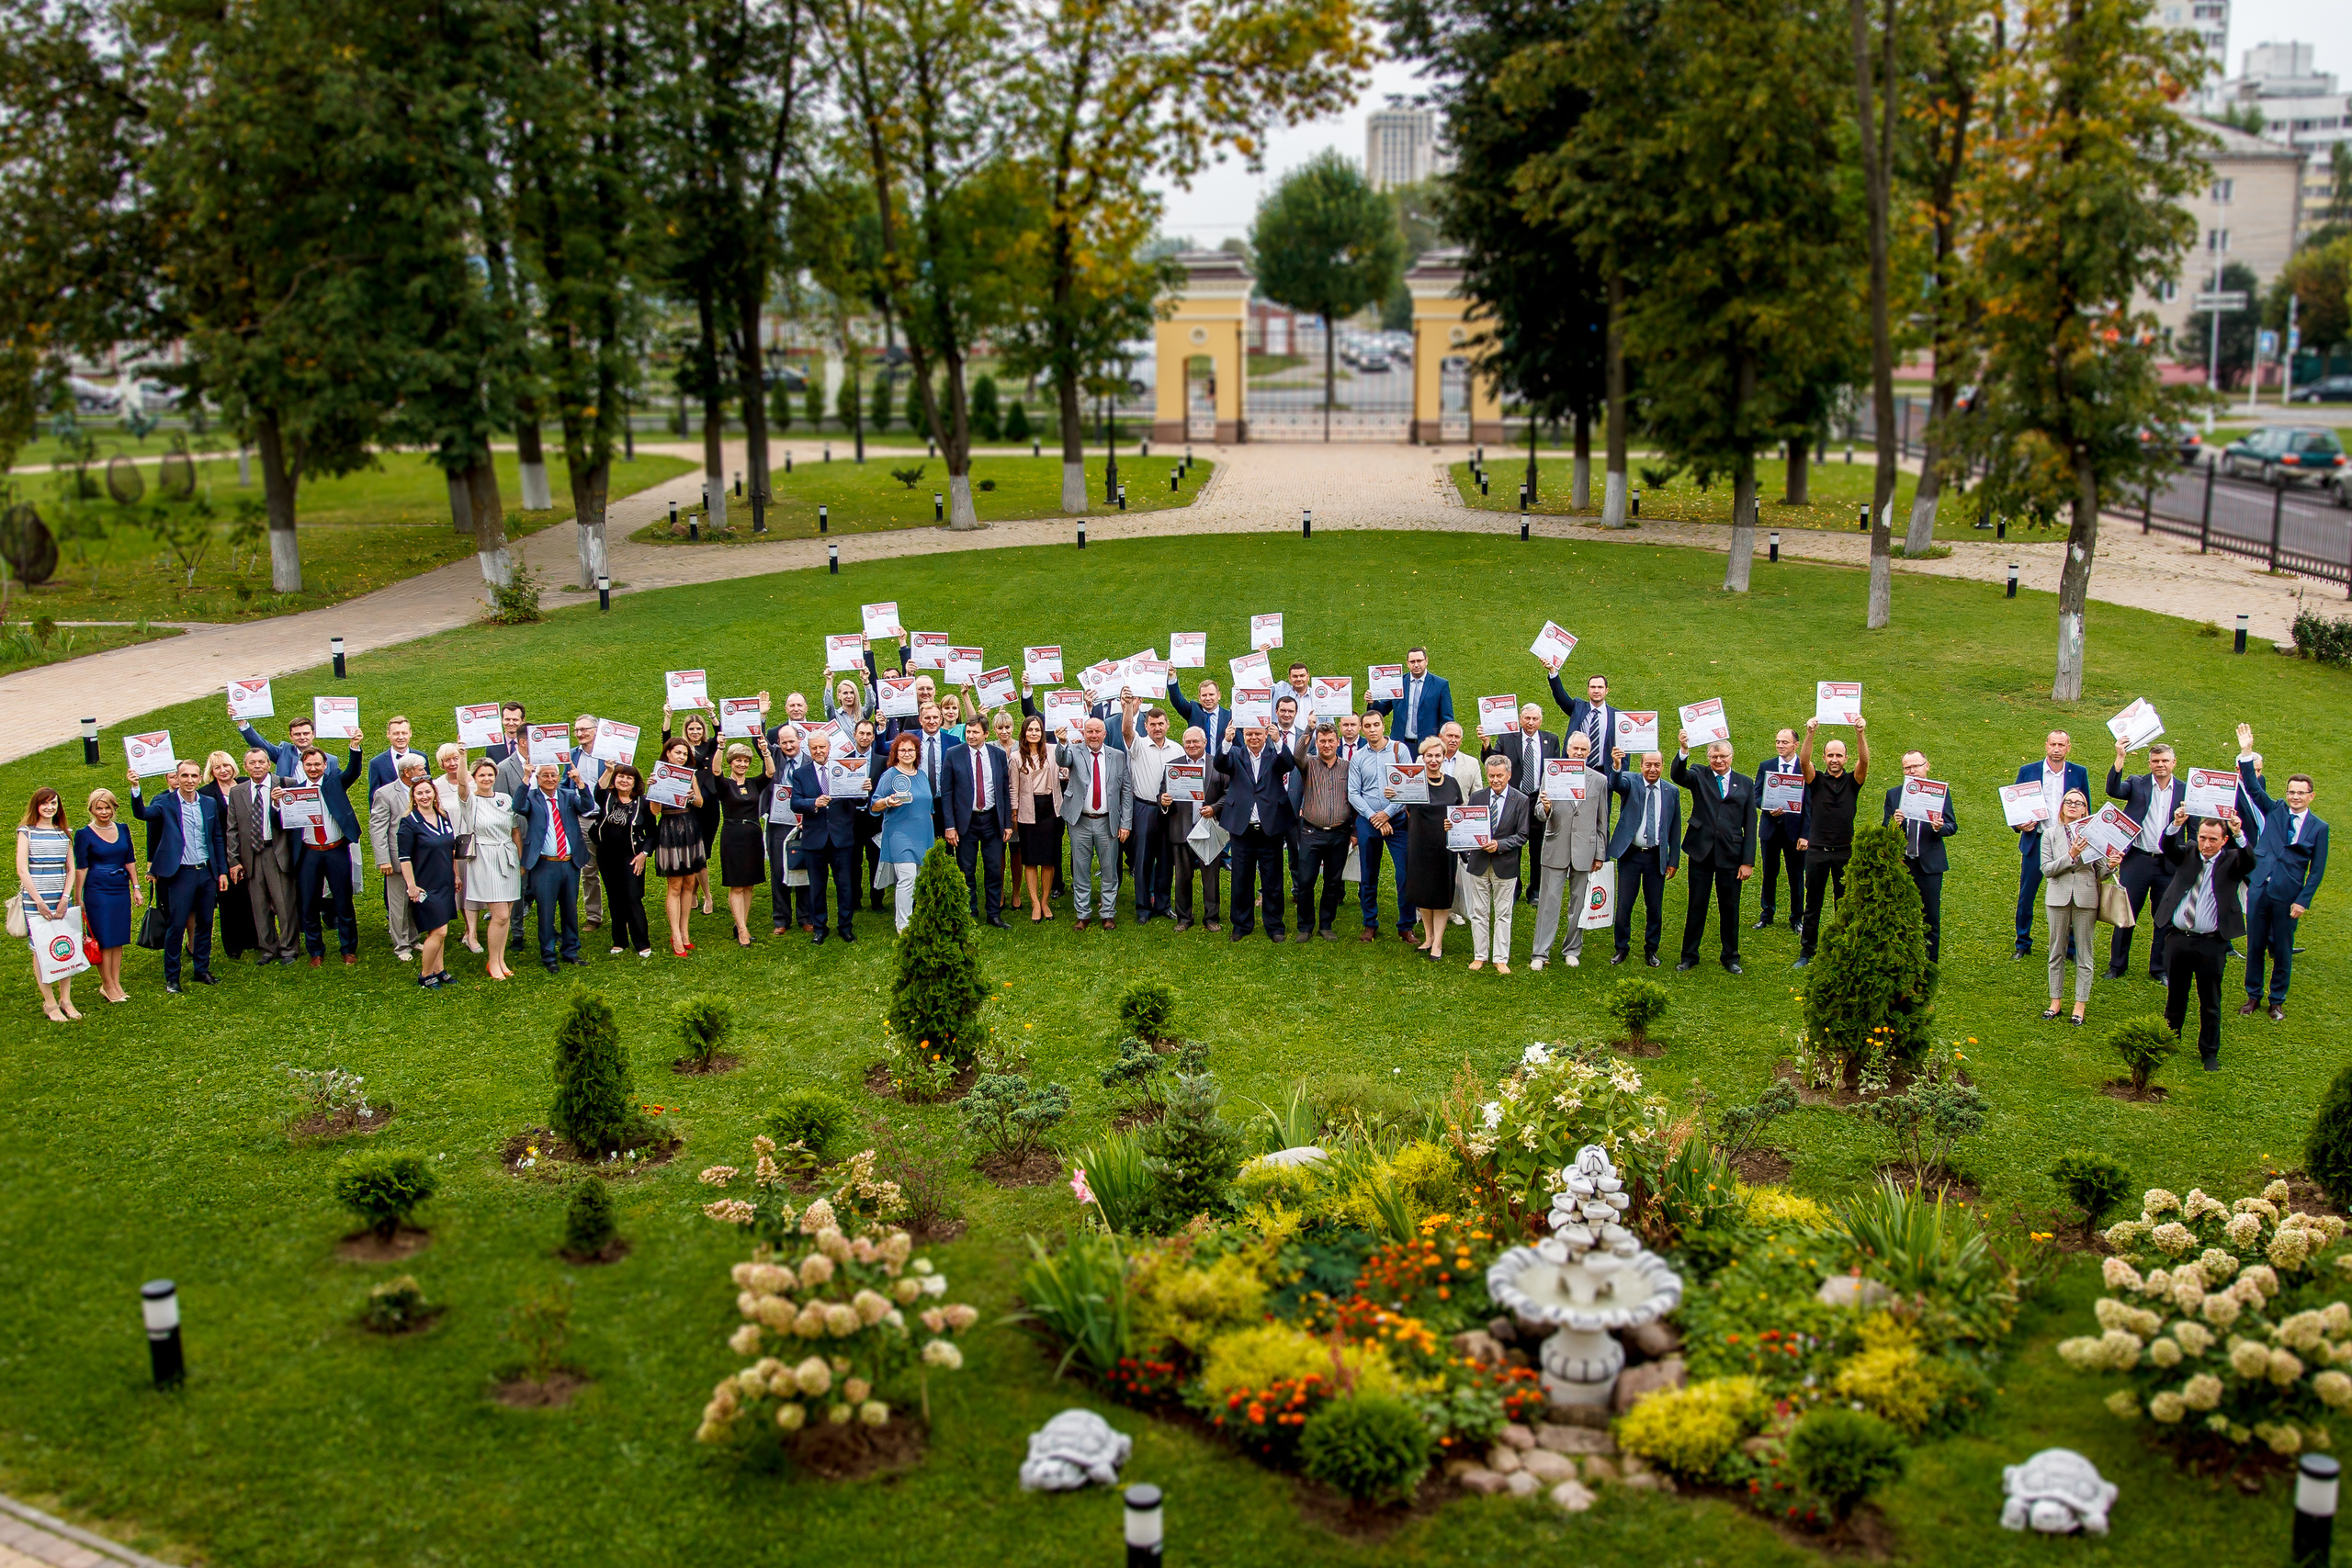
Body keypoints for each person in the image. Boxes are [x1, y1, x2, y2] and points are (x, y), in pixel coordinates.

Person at [2235, 724, 2327, 1021]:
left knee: (2283, 949)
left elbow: (2317, 870)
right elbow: (2252, 787)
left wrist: (2303, 900)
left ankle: (2277, 1001)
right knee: (2255, 944)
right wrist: (2246, 752)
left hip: (2288, 895)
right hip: (2260, 888)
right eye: (2291, 792)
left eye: (2301, 793)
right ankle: (2253, 996)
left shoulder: (2319, 828)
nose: (2295, 797)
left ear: (2311, 796)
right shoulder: (2274, 809)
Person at [2155, 802, 2256, 1070]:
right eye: (2202, 838)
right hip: (2179, 938)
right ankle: (2168, 1041)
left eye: (2213, 839)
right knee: (2175, 996)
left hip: (2211, 943)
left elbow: (2250, 861)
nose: (2206, 844)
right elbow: (2167, 847)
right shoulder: (2188, 852)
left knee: (2210, 1000)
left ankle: (2209, 1052)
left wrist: (2239, 834)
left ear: (2223, 840)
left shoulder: (2232, 860)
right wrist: (2176, 823)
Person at [130, 760, 227, 994]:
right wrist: (135, 788)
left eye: (194, 776)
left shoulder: (209, 803)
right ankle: (172, 977)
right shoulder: (165, 803)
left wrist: (221, 870)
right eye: (185, 776)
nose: (190, 780)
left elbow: (216, 838)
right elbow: (142, 814)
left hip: (206, 871)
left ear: (199, 778)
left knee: (205, 922)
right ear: (177, 778)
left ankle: (201, 969)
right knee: (177, 925)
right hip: (180, 873)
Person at [1670, 738, 1757, 974]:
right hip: (1701, 852)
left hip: (1731, 855)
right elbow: (1678, 775)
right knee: (1696, 905)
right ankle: (1689, 956)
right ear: (1708, 758)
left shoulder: (1745, 783)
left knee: (1730, 908)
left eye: (1723, 756)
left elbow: (1751, 824)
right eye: (1714, 757)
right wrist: (1684, 751)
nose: (1719, 761)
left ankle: (1731, 957)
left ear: (1731, 757)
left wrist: (1748, 861)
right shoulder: (1699, 775)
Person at [1529, 733, 1611, 971]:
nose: (1578, 753)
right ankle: (1540, 952)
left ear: (1589, 752)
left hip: (1585, 849)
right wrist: (1545, 808)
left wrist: (1600, 854)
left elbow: (1601, 821)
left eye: (1583, 749)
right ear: (1567, 750)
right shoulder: (1552, 773)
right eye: (1575, 748)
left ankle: (1572, 949)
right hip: (1556, 845)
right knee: (1549, 901)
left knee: (1579, 902)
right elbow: (1539, 813)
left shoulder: (1599, 780)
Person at [2103, 738, 2184, 981]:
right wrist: (2120, 757)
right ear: (2149, 763)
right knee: (2126, 915)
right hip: (2137, 859)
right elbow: (2113, 790)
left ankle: (2159, 968)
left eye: (2165, 761)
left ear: (2174, 763)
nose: (2160, 765)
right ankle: (2117, 966)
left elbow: (2197, 826)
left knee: (2164, 918)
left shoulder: (2184, 790)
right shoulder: (2137, 784)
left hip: (2168, 863)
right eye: (2156, 761)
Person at [1792, 717, 1868, 970]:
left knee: (1843, 905)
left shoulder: (1853, 782)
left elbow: (1865, 761)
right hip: (1816, 852)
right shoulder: (1816, 781)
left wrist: (1860, 733)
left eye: (1839, 755)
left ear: (1846, 758)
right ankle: (1807, 951)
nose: (1835, 759)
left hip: (1845, 852)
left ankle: (1844, 950)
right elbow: (1803, 761)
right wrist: (1810, 733)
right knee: (1812, 904)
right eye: (1830, 755)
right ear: (1824, 758)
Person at [286, 732, 367, 966]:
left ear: (325, 765)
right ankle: (315, 951)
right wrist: (276, 802)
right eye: (309, 765)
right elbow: (285, 820)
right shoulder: (295, 792)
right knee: (309, 903)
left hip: (336, 850)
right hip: (309, 852)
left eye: (317, 764)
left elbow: (353, 771)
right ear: (303, 766)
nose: (313, 768)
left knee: (343, 900)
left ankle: (348, 948)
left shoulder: (335, 783)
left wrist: (354, 747)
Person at [2041, 789, 2120, 1023]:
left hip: (2086, 897)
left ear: (2086, 809)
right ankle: (2055, 1001)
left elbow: (2101, 872)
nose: (2073, 806)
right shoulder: (2050, 834)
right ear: (2062, 807)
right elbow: (2046, 869)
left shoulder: (2095, 836)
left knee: (2085, 953)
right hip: (2057, 897)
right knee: (2056, 950)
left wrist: (2112, 865)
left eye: (2079, 803)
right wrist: (2071, 855)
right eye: (2069, 802)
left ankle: (2079, 1004)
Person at [1214, 716, 1295, 942]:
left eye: (1258, 734)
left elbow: (1289, 764)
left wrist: (1279, 741)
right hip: (1242, 828)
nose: (1254, 738)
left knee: (1273, 879)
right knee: (1241, 879)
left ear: (1266, 734)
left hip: (1271, 827)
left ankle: (1275, 926)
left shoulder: (1274, 755)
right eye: (1249, 734)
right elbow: (1219, 764)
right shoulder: (1236, 755)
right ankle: (1241, 925)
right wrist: (1227, 741)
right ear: (1244, 736)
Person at [2011, 731, 2088, 958]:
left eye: (2061, 745)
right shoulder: (2029, 772)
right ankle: (2022, 944)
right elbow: (2015, 807)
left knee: (2071, 895)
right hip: (2037, 841)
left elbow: (2086, 807)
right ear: (2046, 746)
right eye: (2053, 744)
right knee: (2027, 895)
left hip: (2067, 843)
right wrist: (2020, 826)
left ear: (2068, 747)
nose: (2056, 748)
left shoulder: (2079, 773)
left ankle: (2070, 947)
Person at [1882, 750, 1960, 964]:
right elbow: (1885, 827)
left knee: (1930, 917)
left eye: (1916, 766)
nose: (1912, 771)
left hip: (1930, 866)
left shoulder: (1939, 793)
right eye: (1907, 767)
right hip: (1903, 864)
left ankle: (1930, 963)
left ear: (1927, 766)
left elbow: (1952, 826)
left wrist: (1939, 827)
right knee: (1900, 914)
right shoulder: (1894, 794)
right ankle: (1902, 959)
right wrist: (1893, 824)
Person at [225, 749, 300, 965]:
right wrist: (234, 859)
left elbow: (296, 819)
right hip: (252, 855)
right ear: (245, 767)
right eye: (252, 763)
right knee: (259, 906)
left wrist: (278, 805)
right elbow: (232, 828)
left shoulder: (286, 784)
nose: (257, 766)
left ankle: (288, 949)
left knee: (284, 903)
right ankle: (268, 948)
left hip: (277, 851)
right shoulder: (238, 792)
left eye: (261, 762)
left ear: (269, 764)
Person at [516, 760, 593, 973]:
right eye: (545, 776)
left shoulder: (568, 796)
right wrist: (525, 778)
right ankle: (548, 954)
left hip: (569, 863)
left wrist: (580, 783)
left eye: (553, 775)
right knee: (546, 910)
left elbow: (587, 807)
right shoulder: (532, 798)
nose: (550, 779)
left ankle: (570, 950)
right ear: (537, 779)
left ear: (559, 777)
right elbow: (518, 807)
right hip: (545, 865)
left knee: (570, 909)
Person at [1608, 748, 1680, 967]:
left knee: (1654, 907)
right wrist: (1618, 766)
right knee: (1624, 906)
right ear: (1641, 766)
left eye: (1657, 765)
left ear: (1662, 766)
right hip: (1630, 855)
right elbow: (1616, 784)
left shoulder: (1671, 791)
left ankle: (1652, 949)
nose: (1652, 769)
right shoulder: (1632, 782)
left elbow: (1675, 828)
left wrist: (1673, 860)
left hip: (1655, 857)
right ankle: (1621, 948)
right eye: (1648, 764)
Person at [1349, 710, 1415, 942]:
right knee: (1368, 874)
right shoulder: (1358, 757)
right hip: (1368, 822)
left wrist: (1386, 814)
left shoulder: (1400, 750)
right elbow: (1353, 793)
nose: (1372, 729)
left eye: (1376, 724)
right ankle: (1370, 923)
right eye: (1367, 726)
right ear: (1362, 730)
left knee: (1405, 873)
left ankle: (1406, 925)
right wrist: (1373, 817)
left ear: (1383, 726)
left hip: (1397, 819)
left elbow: (1409, 787)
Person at [791, 732, 863, 942]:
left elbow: (857, 800)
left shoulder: (842, 769)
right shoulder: (801, 774)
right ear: (809, 750)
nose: (819, 751)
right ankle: (820, 928)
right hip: (815, 839)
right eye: (814, 748)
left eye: (822, 747)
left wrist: (863, 789)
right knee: (817, 886)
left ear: (829, 747)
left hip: (841, 838)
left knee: (844, 885)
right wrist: (813, 802)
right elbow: (795, 802)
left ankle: (845, 926)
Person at [1057, 717, 1128, 930]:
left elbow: (1125, 790)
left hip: (1108, 821)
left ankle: (1108, 913)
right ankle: (1083, 914)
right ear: (1084, 733)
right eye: (1090, 732)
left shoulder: (1117, 756)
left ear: (1105, 734)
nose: (1094, 735)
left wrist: (1126, 823)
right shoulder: (1074, 751)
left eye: (1098, 731)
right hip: (1080, 821)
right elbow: (1062, 760)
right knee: (1080, 869)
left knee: (1109, 870)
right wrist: (1062, 742)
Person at [1463, 752, 1531, 973]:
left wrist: (1499, 845)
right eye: (1491, 776)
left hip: (1505, 864)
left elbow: (1522, 835)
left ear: (1509, 775)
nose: (1495, 780)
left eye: (1500, 775)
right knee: (1478, 912)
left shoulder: (1520, 800)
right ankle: (1479, 955)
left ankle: (1501, 958)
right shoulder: (1478, 797)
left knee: (1503, 913)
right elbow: (1469, 827)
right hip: (1479, 863)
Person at [1484, 704, 1559, 902]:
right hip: (1514, 799)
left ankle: (1535, 891)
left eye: (1535, 719)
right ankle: (1513, 889)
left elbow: (1556, 771)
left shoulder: (1551, 740)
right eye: (1527, 718)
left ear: (1541, 720)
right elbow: (1493, 762)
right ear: (1520, 719)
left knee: (1538, 847)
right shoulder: (1507, 738)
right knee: (1513, 847)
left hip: (1538, 799)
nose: (1531, 722)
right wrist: (1486, 745)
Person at [1287, 720, 1354, 942]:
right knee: (1306, 881)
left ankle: (1326, 925)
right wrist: (1309, 729)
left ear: (1338, 742)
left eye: (1330, 741)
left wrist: (1352, 830)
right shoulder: (1309, 764)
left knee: (1333, 881)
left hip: (1339, 833)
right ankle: (1305, 926)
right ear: (1317, 742)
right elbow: (1296, 754)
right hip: (1311, 833)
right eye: (1322, 741)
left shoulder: (1347, 767)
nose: (1327, 745)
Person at [944, 717, 1014, 927]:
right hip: (966, 821)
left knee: (994, 869)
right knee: (966, 869)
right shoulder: (953, 754)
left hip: (992, 820)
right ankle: (969, 911)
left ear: (986, 734)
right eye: (968, 732)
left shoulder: (998, 755)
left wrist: (1007, 823)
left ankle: (993, 913)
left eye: (975, 732)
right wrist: (950, 825)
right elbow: (947, 792)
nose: (971, 736)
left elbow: (1004, 790)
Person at [20, 787, 81, 1020]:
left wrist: (65, 898)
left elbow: (71, 868)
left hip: (60, 898)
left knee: (65, 945)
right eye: (45, 803)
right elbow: (22, 869)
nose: (49, 807)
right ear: (36, 805)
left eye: (53, 803)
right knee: (41, 947)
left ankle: (66, 999)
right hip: (36, 900)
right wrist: (39, 902)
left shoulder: (63, 832)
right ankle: (50, 1002)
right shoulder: (26, 832)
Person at [75, 788, 140, 1003]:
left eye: (107, 808)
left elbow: (130, 859)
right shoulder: (84, 834)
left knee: (118, 938)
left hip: (120, 888)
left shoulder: (123, 829)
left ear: (114, 808)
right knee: (103, 939)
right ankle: (107, 984)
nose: (103, 812)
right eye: (99, 808)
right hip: (97, 890)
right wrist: (78, 897)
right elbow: (81, 868)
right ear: (92, 810)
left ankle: (116, 982)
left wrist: (136, 886)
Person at [869, 730, 936, 932]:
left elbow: (929, 807)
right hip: (899, 834)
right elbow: (874, 805)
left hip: (923, 834)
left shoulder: (922, 775)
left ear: (917, 752)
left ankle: (918, 918)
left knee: (919, 877)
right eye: (902, 750)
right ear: (896, 754)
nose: (907, 753)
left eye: (911, 750)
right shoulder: (890, 775)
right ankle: (903, 925)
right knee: (907, 877)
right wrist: (887, 801)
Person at [1122, 699, 1182, 923]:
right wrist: (1129, 706)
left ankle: (1164, 904)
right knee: (1143, 860)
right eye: (1152, 724)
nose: (1157, 728)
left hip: (1170, 810)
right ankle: (1143, 908)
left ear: (1168, 725)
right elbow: (1127, 730)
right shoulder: (1138, 745)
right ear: (1145, 727)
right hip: (1145, 809)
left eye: (1161, 723)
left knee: (1167, 860)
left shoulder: (1177, 749)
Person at [395, 774, 458, 989]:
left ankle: (439, 970)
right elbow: (404, 857)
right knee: (440, 931)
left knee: (438, 930)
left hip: (445, 881)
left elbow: (451, 850)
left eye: (427, 792)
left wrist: (456, 874)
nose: (424, 796)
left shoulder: (443, 816)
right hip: (425, 885)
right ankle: (425, 975)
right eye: (419, 793)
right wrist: (411, 886)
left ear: (434, 793)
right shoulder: (409, 822)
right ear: (413, 796)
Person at [1402, 738, 1463, 960]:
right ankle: (1428, 937)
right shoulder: (1413, 782)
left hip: (1444, 846)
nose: (1434, 760)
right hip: (1419, 843)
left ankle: (1438, 942)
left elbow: (1460, 812)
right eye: (1429, 756)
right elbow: (1406, 808)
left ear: (1444, 756)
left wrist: (1453, 823)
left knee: (1441, 893)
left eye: (1438, 755)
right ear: (1423, 757)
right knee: (1423, 892)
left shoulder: (1453, 783)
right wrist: (1393, 793)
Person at [369, 755, 433, 962]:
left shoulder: (422, 791)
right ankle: (401, 945)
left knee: (416, 901)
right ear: (407, 772)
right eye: (420, 769)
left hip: (420, 858)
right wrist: (383, 859)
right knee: (399, 904)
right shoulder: (385, 793)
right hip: (397, 860)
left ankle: (414, 938)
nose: (424, 772)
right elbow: (377, 828)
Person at [466, 759, 524, 980]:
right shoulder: (470, 800)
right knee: (498, 914)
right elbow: (462, 785)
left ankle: (500, 959)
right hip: (485, 857)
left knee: (506, 915)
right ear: (474, 778)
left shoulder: (505, 799)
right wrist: (462, 757)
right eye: (481, 775)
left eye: (490, 775)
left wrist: (518, 860)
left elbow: (515, 830)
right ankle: (492, 962)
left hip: (507, 856)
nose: (487, 779)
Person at [1165, 723, 1226, 933]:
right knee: (1182, 877)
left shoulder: (1217, 765)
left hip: (1208, 829)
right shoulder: (1173, 766)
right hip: (1182, 828)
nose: (1191, 745)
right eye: (1188, 742)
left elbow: (1229, 794)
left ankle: (1211, 917)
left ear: (1205, 743)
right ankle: (1184, 917)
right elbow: (1162, 794)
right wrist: (1163, 801)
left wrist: (1215, 808)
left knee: (1211, 877)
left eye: (1195, 741)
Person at [662, 705, 722, 917]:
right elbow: (665, 739)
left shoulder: (710, 745)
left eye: (698, 729)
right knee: (696, 851)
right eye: (691, 729)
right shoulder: (682, 749)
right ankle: (705, 895)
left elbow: (720, 732)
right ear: (685, 731)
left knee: (704, 849)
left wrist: (712, 713)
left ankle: (695, 892)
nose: (695, 732)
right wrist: (668, 716)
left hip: (710, 802)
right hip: (689, 804)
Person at [650, 738, 708, 955]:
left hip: (689, 826)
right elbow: (655, 811)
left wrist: (693, 797)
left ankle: (685, 931)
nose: (682, 757)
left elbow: (701, 802)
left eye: (685, 754)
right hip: (670, 828)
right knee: (674, 885)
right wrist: (655, 789)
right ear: (668, 753)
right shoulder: (658, 775)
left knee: (689, 883)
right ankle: (675, 934)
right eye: (678, 753)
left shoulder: (689, 775)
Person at [593, 762, 654, 959]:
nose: (624, 780)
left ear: (635, 782)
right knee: (614, 898)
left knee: (632, 897)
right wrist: (609, 770)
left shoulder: (643, 803)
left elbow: (653, 833)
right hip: (607, 856)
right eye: (620, 776)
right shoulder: (606, 797)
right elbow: (598, 789)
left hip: (632, 857)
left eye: (629, 777)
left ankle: (642, 943)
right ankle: (619, 941)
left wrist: (643, 854)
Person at [715, 739, 772, 947]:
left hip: (753, 837)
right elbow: (715, 770)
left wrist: (765, 752)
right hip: (733, 837)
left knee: (749, 884)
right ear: (731, 762)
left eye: (746, 760)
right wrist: (720, 748)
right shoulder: (724, 785)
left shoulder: (752, 783)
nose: (742, 764)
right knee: (737, 885)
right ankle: (742, 930)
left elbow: (770, 773)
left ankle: (742, 924)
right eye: (738, 760)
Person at [198, 750, 251, 962]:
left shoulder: (246, 783)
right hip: (223, 851)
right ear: (211, 772)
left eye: (226, 766)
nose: (223, 771)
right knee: (229, 899)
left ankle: (252, 938)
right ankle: (233, 944)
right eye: (217, 768)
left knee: (250, 896)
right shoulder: (207, 793)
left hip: (250, 848)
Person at [1754, 728, 1808, 933]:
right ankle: (1766, 914)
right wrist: (1766, 807)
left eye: (1785, 742)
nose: (1780, 745)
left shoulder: (1805, 768)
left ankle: (1797, 918)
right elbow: (1756, 794)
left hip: (1794, 833)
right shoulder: (1766, 766)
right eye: (1778, 741)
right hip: (1770, 831)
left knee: (1796, 876)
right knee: (1769, 873)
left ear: (1796, 744)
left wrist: (1805, 834)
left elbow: (1809, 806)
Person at [1012, 714, 1063, 923]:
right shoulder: (1016, 757)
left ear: (1042, 733)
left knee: (1049, 860)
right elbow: (1012, 787)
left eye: (1037, 730)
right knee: (1031, 860)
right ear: (1024, 733)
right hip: (1028, 811)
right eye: (1030, 730)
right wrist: (1014, 813)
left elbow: (1066, 765)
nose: (1034, 733)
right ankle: (1034, 902)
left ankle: (1045, 901)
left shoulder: (1052, 750)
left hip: (1051, 809)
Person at [763, 728, 807, 934]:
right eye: (783, 743)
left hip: (805, 823)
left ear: (799, 739)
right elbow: (758, 742)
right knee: (779, 870)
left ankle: (805, 917)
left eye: (792, 741)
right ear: (778, 744)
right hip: (778, 822)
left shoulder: (810, 761)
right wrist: (761, 719)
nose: (788, 746)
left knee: (804, 868)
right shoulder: (774, 757)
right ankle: (781, 919)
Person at [566, 715, 607, 933]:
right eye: (577, 730)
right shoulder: (571, 756)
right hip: (583, 819)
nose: (580, 733)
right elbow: (563, 786)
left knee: (614, 868)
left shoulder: (610, 754)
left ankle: (622, 910)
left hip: (609, 819)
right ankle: (593, 915)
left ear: (597, 729)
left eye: (585, 729)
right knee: (588, 869)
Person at [1440, 722, 1483, 928]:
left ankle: (1453, 909)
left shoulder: (1472, 763)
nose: (1453, 740)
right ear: (1441, 737)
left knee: (1456, 869)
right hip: (1434, 822)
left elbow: (1477, 795)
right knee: (1431, 865)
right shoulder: (1425, 759)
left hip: (1460, 824)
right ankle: (1423, 908)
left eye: (1457, 736)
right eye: (1450, 736)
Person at [1372, 647, 1453, 752]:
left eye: (1419, 661)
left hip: (1428, 745)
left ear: (1426, 661)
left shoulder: (1440, 685)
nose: (1416, 665)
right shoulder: (1398, 683)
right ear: (1407, 663)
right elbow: (1383, 710)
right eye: (1412, 661)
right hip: (1400, 743)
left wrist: (1444, 742)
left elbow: (1447, 718)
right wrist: (1372, 702)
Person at [233, 708, 315, 780]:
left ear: (313, 734)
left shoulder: (324, 758)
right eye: (297, 734)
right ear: (290, 736)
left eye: (306, 733)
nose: (302, 737)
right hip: (288, 796)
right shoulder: (283, 752)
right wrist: (242, 722)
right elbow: (260, 744)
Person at [1167, 674, 1234, 757]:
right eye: (1204, 695)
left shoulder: (1230, 717)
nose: (1208, 698)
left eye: (1211, 694)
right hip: (1198, 763)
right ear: (1199, 697)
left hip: (1222, 764)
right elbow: (1177, 700)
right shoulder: (1193, 710)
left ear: (1219, 695)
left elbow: (1239, 746)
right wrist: (1172, 677)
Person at [365, 716, 425, 798]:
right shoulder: (376, 763)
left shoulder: (422, 757)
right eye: (396, 733)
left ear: (410, 733)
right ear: (388, 734)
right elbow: (374, 796)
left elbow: (427, 786)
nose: (401, 737)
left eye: (404, 733)